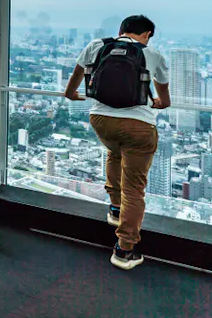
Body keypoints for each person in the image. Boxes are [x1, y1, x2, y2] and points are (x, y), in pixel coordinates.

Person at [64, 14, 170, 270]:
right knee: (135, 188)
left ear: (121, 30)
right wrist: (158, 102)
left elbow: (72, 86)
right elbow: (164, 98)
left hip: (100, 120)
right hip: (138, 125)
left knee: (114, 152)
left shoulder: (97, 46)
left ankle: (114, 208)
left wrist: (73, 95)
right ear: (146, 35)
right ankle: (124, 249)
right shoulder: (151, 54)